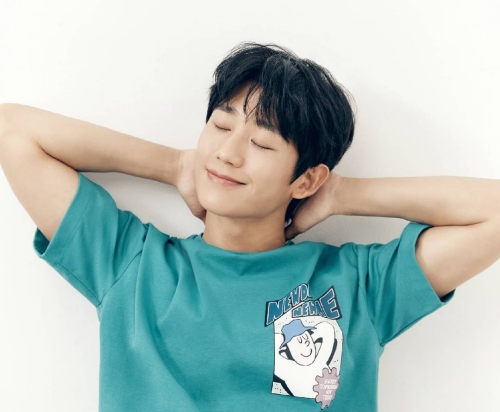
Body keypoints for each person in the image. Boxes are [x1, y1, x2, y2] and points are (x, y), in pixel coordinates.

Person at [2, 39, 498, 411]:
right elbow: (12, 129)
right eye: (221, 125)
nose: (228, 152)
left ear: (306, 178)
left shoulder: (360, 286)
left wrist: (341, 194)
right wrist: (174, 165)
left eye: (262, 143)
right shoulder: (130, 264)